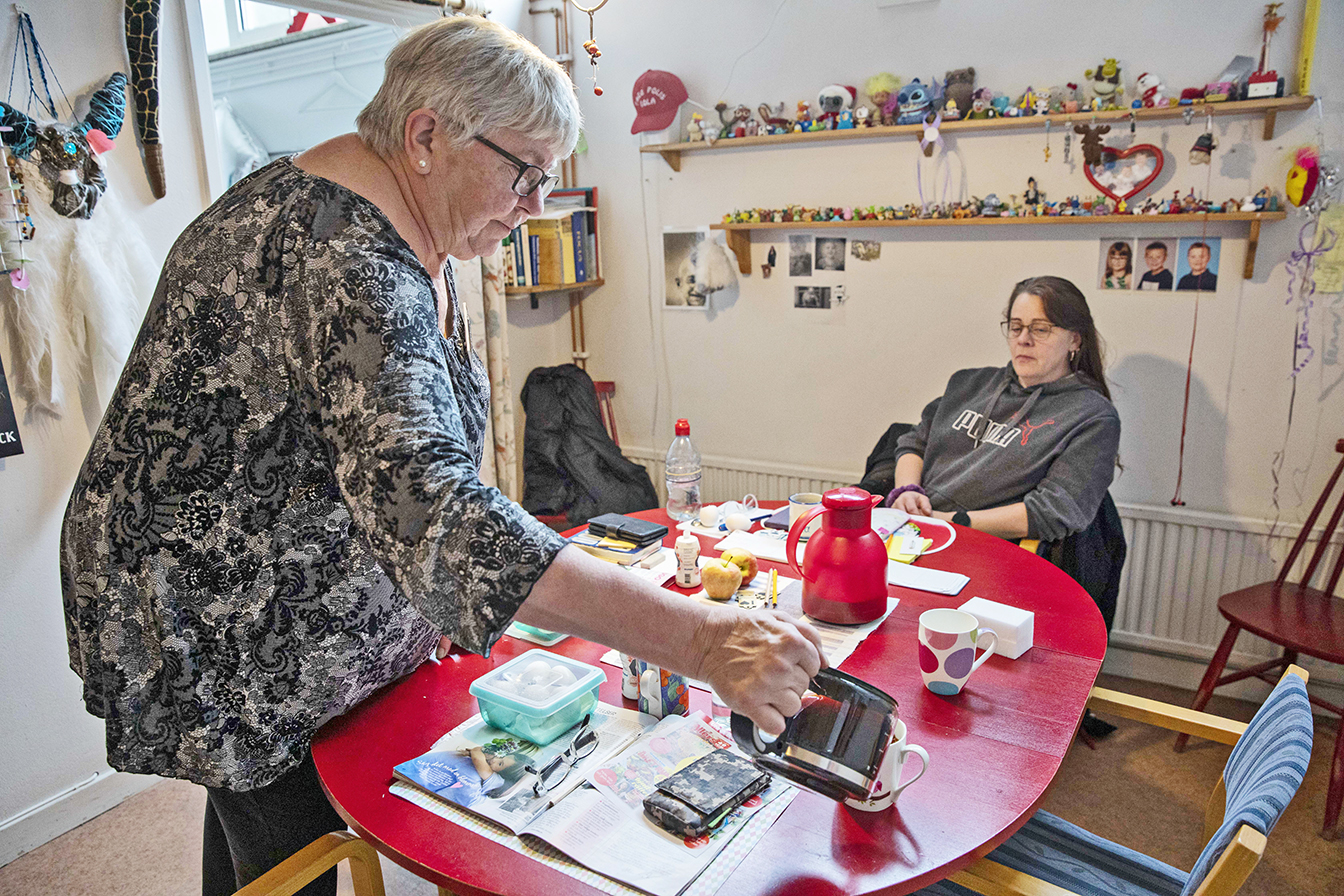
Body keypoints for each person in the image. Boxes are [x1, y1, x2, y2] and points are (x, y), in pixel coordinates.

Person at [58, 17, 823, 896]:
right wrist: (702, 639)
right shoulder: (345, 259)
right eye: (525, 171)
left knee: (252, 807)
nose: (536, 202)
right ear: (426, 136)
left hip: (259, 568)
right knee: (287, 825)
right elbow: (437, 511)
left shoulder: (389, 207)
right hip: (217, 600)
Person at [885, 276, 1120, 546]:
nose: (1023, 339)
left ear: (1075, 340)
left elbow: (1053, 511)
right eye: (1016, 327)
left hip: (978, 545)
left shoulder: (1093, 416)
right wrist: (907, 491)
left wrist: (949, 522)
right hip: (911, 528)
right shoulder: (968, 383)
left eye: (1041, 329)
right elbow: (914, 442)